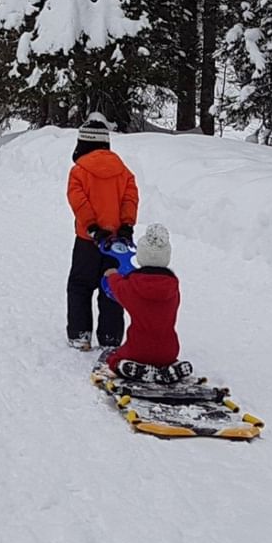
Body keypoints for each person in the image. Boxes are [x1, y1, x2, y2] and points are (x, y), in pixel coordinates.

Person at [65, 113, 137, 351]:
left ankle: (80, 334)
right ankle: (110, 337)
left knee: (79, 286)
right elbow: (130, 198)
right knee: (113, 288)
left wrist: (93, 228)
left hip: (88, 241)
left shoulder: (79, 171)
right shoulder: (123, 171)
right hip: (117, 243)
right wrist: (126, 225)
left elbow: (78, 202)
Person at [100, 224, 179, 369]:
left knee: (114, 359)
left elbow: (117, 288)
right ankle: (171, 370)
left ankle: (130, 369)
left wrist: (112, 275)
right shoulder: (173, 289)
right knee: (164, 352)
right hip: (169, 351)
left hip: (138, 349)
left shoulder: (132, 287)